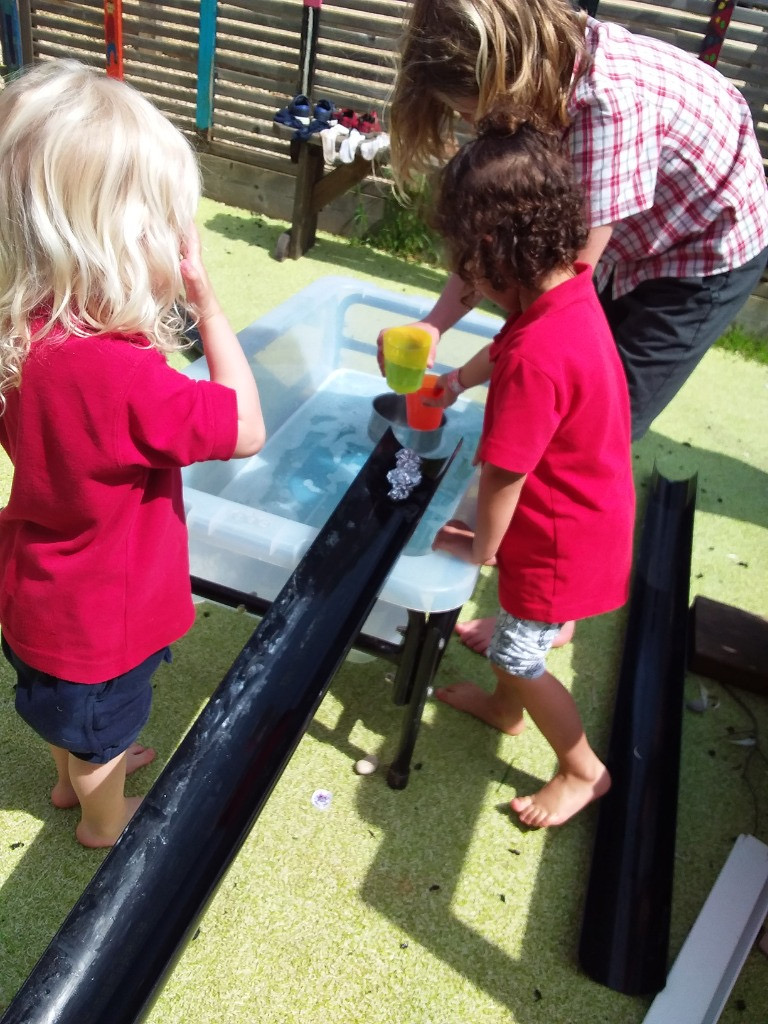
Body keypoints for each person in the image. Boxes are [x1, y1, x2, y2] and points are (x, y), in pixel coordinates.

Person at [381, 0, 768, 656]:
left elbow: (549, 288)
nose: (472, 125)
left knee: (598, 422)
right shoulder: (534, 88)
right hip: (620, 242)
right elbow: (511, 256)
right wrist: (436, 324)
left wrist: (483, 538)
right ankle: (531, 571)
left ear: (503, 73)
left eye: (470, 112)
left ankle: (549, 613)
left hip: (704, 248)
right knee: (568, 382)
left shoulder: (607, 109)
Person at [0, 59, 266, 848]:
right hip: (102, 620)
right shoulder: (129, 378)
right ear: (109, 240)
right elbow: (245, 426)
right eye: (164, 223)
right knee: (100, 728)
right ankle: (102, 821)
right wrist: (209, 307)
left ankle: (73, 774)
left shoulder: (21, 337)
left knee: (64, 712)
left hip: (33, 592)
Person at [425, 112, 635, 827]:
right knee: (517, 637)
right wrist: (455, 380)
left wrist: (479, 552)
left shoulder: (535, 359)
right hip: (587, 510)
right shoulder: (567, 286)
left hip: (556, 540)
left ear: (492, 250)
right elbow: (506, 339)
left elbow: (503, 476)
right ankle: (502, 711)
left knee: (518, 652)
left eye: (464, 263)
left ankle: (582, 770)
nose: (462, 279)